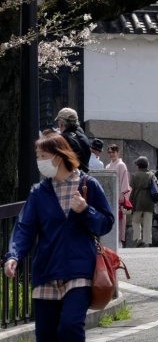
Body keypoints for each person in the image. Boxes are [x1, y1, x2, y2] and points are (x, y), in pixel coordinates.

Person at [3, 133, 114, 342]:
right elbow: (24, 228)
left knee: (71, 327)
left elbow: (106, 223)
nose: (39, 161)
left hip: (79, 270)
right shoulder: (38, 193)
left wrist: (85, 210)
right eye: (38, 156)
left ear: (58, 156)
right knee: (45, 335)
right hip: (46, 270)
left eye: (42, 155)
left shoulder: (88, 185)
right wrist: (13, 256)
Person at [128, 156, 158, 248]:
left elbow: (131, 188)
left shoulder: (134, 175)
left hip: (137, 201)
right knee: (148, 223)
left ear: (138, 166)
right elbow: (157, 186)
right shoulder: (151, 175)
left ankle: (138, 239)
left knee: (136, 221)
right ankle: (147, 242)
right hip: (149, 202)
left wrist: (130, 202)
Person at [105, 143, 131, 246]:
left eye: (113, 152)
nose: (111, 154)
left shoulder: (121, 165)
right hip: (109, 196)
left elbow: (124, 181)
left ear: (117, 152)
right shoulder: (107, 166)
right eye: (109, 152)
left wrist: (122, 197)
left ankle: (119, 241)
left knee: (119, 220)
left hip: (118, 196)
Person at [55, 107, 92, 174]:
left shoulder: (62, 138)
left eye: (58, 122)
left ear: (61, 124)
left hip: (69, 180)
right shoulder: (84, 138)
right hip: (84, 179)